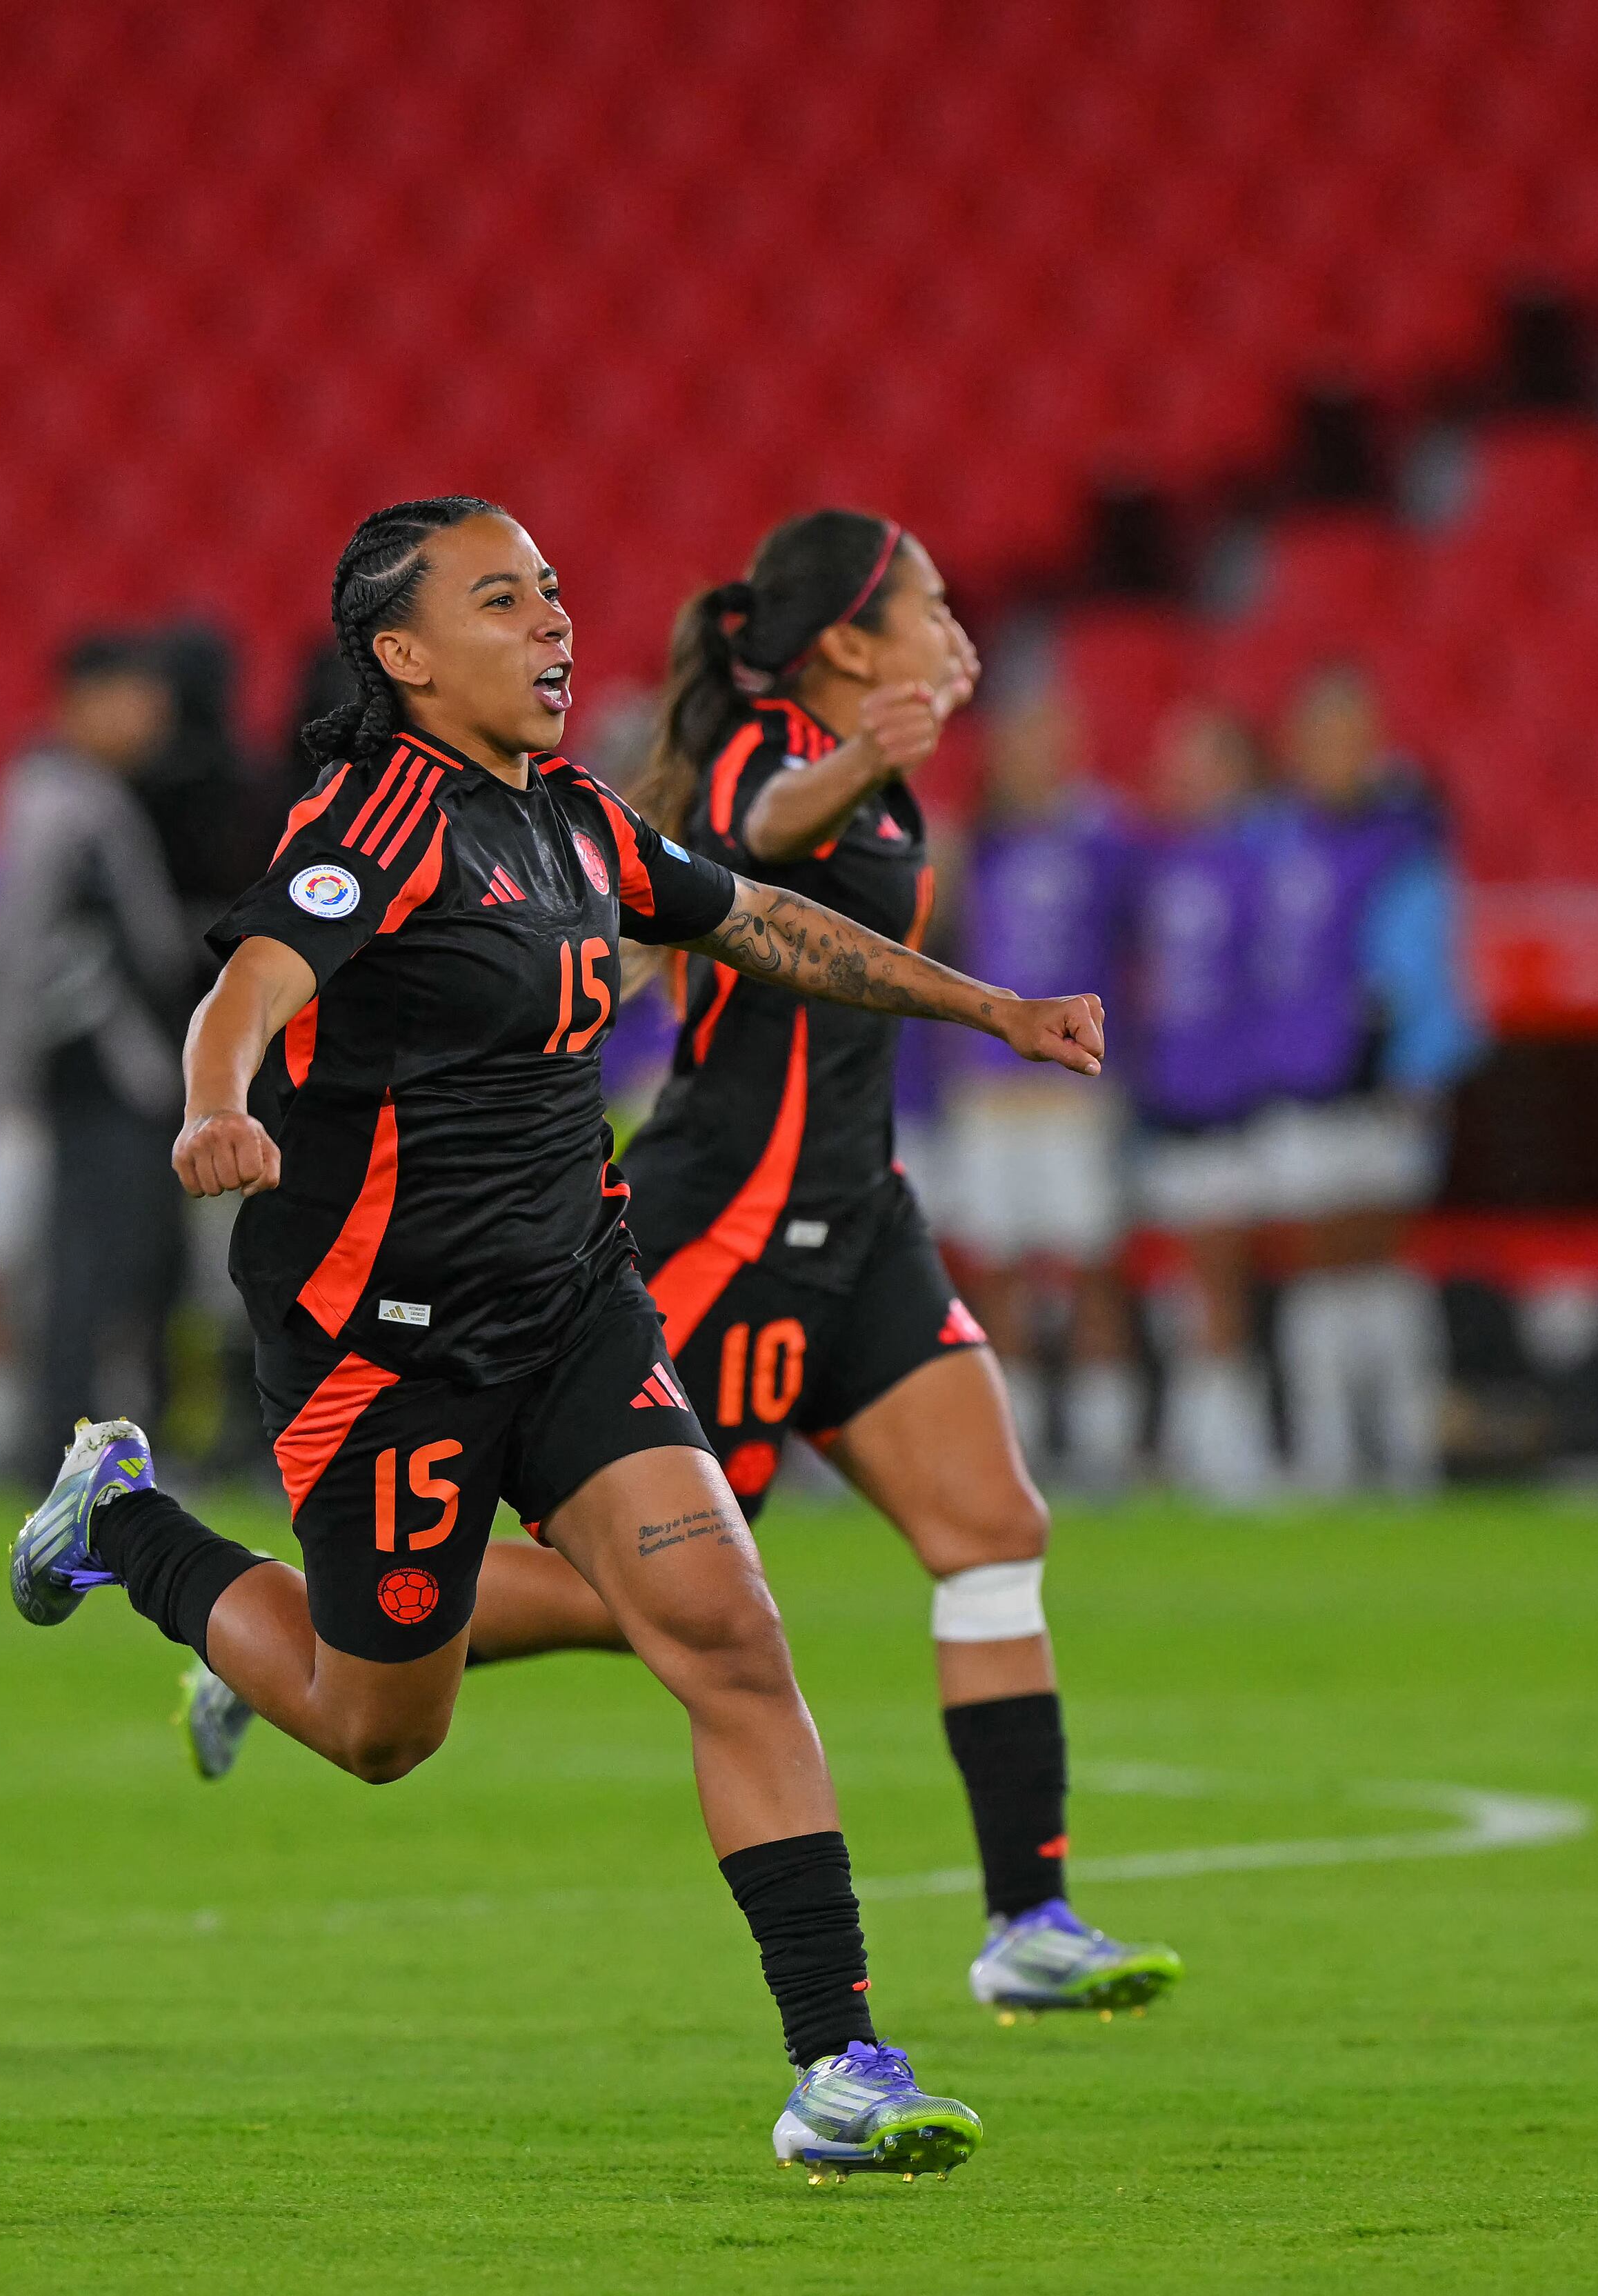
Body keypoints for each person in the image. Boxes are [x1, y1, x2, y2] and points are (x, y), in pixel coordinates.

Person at [14, 497, 1107, 2179]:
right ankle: (126, 1526)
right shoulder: (372, 817)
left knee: (728, 1635)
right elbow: (249, 986)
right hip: (386, 1340)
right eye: (499, 600)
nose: (550, 625)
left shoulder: (581, 820)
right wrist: (213, 1108)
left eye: (552, 595)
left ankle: (838, 2064)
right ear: (401, 654)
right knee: (379, 1724)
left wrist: (988, 1007)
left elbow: (761, 916)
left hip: (581, 1305)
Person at [593, 512, 1180, 2026]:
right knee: (646, 1596)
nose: (950, 621)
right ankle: (338, 1625)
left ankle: (1026, 1917)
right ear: (848, 640)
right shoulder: (768, 749)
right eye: (922, 599)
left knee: (992, 1522)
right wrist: (865, 757)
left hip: (858, 1212)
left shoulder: (882, 758)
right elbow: (765, 826)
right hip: (727, 1222)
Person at [1248, 665, 1484, 1490]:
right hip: (1297, 1088)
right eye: (1319, 737)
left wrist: (1419, 1066)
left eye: (1349, 736)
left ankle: (1403, 1441)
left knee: (1373, 1260)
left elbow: (1428, 968)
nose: (1333, 753)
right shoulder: (1266, 841)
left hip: (1381, 1088)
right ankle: (1328, 1447)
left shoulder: (1403, 840)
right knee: (1321, 1264)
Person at [0, 634, 194, 1477]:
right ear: (84, 703)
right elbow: (18, 947)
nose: (152, 715)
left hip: (104, 1074)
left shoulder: (85, 796)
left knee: (116, 1263)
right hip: (96, 1074)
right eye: (134, 695)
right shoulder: (56, 803)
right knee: (92, 1268)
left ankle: (78, 1442)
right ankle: (63, 1448)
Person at [935, 686, 1142, 1488]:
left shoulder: (1106, 838)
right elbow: (929, 928)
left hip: (1075, 1092)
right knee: (995, 1271)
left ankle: (1105, 1447)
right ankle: (1010, 1445)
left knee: (1091, 1265)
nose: (1035, 758)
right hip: (988, 1092)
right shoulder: (977, 841)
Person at [1123, 704, 1283, 1499]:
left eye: (1200, 762)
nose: (1181, 778)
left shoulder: (1260, 863)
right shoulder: (1154, 862)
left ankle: (1232, 1450)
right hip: (1161, 1103)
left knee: (1218, 1275)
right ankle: (1198, 1439)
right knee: (1183, 1281)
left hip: (1230, 1104)